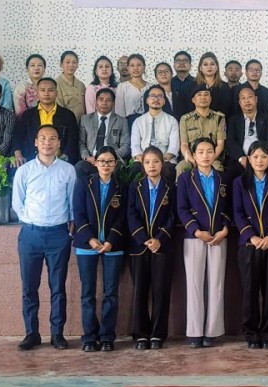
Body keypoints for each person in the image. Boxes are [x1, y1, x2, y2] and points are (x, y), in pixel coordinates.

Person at [12, 124, 76, 351]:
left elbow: (72, 202)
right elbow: (17, 203)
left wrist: (68, 225)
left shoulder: (68, 170)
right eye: (43, 138)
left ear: (59, 143)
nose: (47, 143)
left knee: (57, 287)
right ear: (36, 142)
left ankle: (57, 333)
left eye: (52, 139)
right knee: (29, 287)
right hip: (31, 234)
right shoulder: (25, 171)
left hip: (59, 234)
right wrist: (31, 220)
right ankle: (32, 333)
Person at [232, 141, 268, 350]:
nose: (259, 160)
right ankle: (251, 333)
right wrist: (251, 236)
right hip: (249, 244)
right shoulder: (239, 183)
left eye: (264, 156)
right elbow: (237, 212)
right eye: (255, 156)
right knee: (250, 290)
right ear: (249, 159)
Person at [177, 137, 231, 348]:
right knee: (194, 284)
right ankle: (195, 332)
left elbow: (227, 208)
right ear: (193, 154)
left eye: (209, 151)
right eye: (201, 151)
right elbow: (181, 209)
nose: (206, 155)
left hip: (218, 237)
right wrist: (196, 230)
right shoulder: (185, 179)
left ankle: (212, 331)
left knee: (216, 284)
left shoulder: (222, 178)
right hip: (195, 237)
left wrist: (225, 229)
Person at [73, 146, 127, 352]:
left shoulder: (122, 186)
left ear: (115, 164)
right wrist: (90, 238)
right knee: (88, 293)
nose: (106, 165)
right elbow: (77, 213)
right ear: (95, 163)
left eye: (110, 161)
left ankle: (107, 337)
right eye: (102, 161)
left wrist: (111, 240)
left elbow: (123, 217)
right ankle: (89, 337)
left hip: (113, 245)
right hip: (87, 245)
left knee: (111, 293)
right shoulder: (84, 183)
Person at [127, 147, 176, 350]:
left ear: (162, 164)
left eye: (155, 162)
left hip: (162, 247)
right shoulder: (135, 187)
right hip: (140, 246)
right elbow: (130, 214)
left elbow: (173, 216)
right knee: (140, 291)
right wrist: (144, 238)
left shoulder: (170, 187)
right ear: (142, 165)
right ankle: (140, 334)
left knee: (161, 291)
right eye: (147, 162)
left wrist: (159, 239)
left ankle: (157, 334)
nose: (152, 166)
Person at [14, 78, 80, 165]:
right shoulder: (27, 115)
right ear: (37, 94)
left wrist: (63, 158)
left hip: (60, 160)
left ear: (56, 93)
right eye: (42, 90)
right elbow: (18, 137)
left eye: (50, 90)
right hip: (31, 159)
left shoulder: (68, 115)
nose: (46, 93)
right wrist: (18, 154)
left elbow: (73, 140)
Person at [130, 85, 180, 181]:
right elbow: (135, 146)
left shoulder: (172, 120)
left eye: (160, 96)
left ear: (164, 101)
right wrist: (145, 160)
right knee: (135, 169)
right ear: (146, 100)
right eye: (152, 96)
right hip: (143, 159)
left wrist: (160, 160)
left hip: (165, 159)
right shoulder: (138, 121)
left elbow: (174, 146)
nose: (156, 99)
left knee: (169, 170)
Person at [78, 88, 130, 178]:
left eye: (108, 100)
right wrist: (87, 157)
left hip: (113, 160)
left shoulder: (122, 121)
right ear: (96, 101)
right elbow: (81, 143)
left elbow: (125, 146)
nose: (104, 103)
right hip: (91, 159)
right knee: (79, 167)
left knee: (118, 170)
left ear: (113, 103)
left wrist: (109, 157)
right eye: (101, 99)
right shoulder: (85, 119)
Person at [226, 86, 268, 180]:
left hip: (262, 159)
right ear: (240, 103)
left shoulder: (267, 119)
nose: (247, 101)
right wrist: (241, 158)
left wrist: (259, 157)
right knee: (231, 174)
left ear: (256, 99)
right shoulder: (233, 120)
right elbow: (230, 142)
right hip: (240, 159)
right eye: (243, 98)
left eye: (250, 97)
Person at [178, 85, 227, 173]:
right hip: (192, 158)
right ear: (193, 100)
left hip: (212, 158)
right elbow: (184, 145)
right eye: (199, 95)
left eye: (206, 94)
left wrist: (209, 159)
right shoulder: (185, 119)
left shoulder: (219, 118)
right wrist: (193, 160)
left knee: (217, 168)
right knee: (181, 167)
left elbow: (220, 145)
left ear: (210, 99)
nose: (203, 97)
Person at [194, 52, 232, 117]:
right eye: (205, 64)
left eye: (212, 64)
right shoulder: (193, 85)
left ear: (217, 67)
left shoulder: (224, 87)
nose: (209, 67)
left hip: (219, 123)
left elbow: (227, 109)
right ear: (200, 68)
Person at [115, 54, 148, 121]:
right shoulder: (122, 87)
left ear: (144, 67)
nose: (135, 68)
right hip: (129, 123)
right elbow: (119, 113)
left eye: (139, 65)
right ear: (128, 68)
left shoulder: (151, 87)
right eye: (132, 65)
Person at [56, 51, 87, 123]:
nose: (71, 65)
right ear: (61, 65)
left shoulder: (81, 85)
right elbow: (58, 110)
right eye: (67, 62)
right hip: (67, 125)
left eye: (74, 62)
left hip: (82, 126)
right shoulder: (57, 84)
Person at [171, 51, 196, 119]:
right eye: (178, 60)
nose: (181, 63)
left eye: (185, 60)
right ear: (174, 65)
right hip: (172, 120)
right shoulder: (169, 83)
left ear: (190, 65)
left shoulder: (198, 83)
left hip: (193, 120)